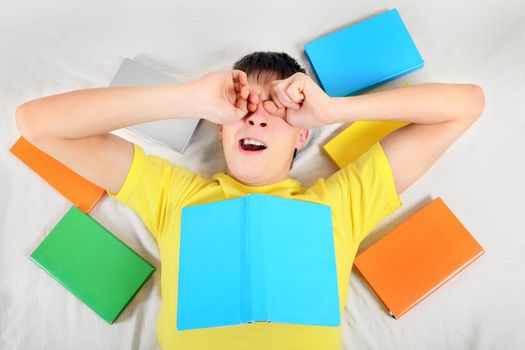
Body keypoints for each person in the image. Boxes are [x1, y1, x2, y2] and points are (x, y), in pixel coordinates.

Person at [15, 51, 485, 349]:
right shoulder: (175, 195)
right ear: (220, 126)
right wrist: (188, 99)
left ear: (303, 134)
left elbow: (466, 106)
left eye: (278, 110)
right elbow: (35, 124)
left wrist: (337, 110)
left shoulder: (342, 201)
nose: (257, 119)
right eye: (244, 108)